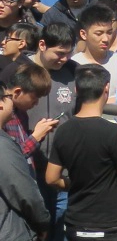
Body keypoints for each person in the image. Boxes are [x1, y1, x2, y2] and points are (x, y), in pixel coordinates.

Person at [44, 65, 117, 241]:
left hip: (75, 223)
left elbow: (51, 178)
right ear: (106, 88)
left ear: (76, 89)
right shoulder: (113, 132)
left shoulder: (63, 130)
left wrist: (75, 183)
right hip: (108, 224)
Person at [0, 67, 50, 241]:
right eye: (35, 98)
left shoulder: (22, 115)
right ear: (17, 92)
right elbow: (11, 161)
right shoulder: (5, 119)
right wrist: (35, 137)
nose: (36, 103)